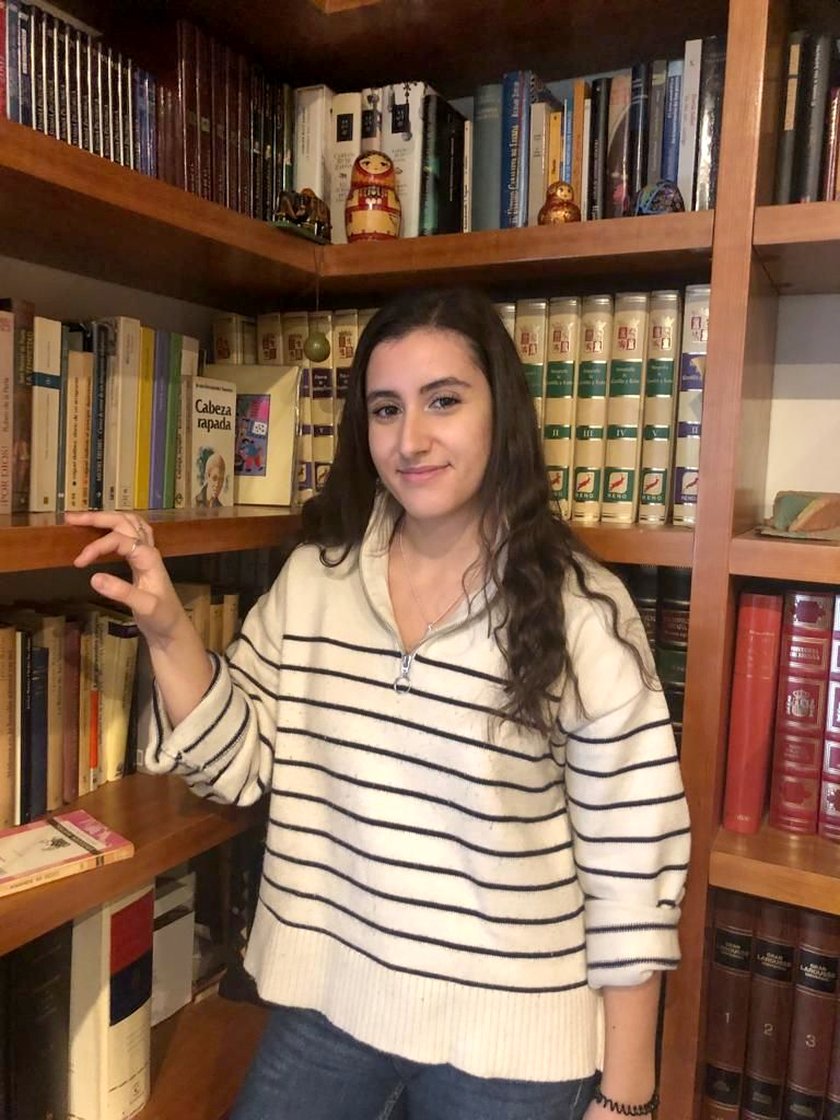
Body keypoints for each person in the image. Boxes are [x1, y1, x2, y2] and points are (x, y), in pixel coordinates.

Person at [67, 287, 690, 1120]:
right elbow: (237, 767)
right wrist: (168, 627)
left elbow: (632, 869)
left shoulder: (585, 611)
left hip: (512, 1046)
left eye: (444, 401)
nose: (410, 439)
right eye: (386, 409)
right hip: (329, 1009)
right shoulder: (315, 580)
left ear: (501, 413)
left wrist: (627, 1097)